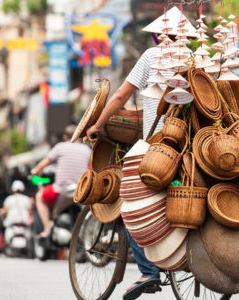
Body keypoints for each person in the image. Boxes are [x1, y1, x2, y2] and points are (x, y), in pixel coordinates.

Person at [85, 12, 183, 300]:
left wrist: (98, 124)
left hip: (157, 148)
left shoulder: (153, 54)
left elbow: (120, 97)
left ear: (157, 35)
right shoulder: (195, 58)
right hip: (190, 145)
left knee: (128, 205)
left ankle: (148, 272)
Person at [31, 125, 91, 237]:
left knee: (39, 196)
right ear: (79, 137)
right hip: (81, 191)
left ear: (64, 137)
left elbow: (43, 164)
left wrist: (36, 171)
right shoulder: (87, 150)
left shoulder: (60, 147)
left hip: (62, 190)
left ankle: (47, 228)